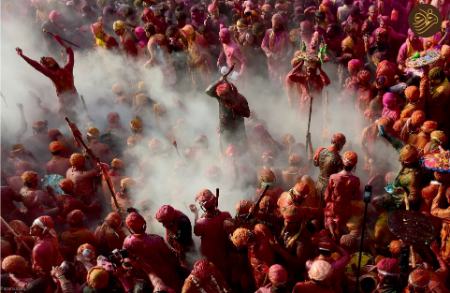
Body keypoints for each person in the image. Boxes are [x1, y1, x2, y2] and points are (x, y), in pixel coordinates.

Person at [16, 34, 80, 118]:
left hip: (75, 99)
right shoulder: (52, 75)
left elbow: (70, 51)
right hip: (65, 105)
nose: (47, 60)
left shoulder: (68, 68)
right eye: (45, 61)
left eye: (47, 58)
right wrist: (22, 55)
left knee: (82, 116)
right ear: (46, 67)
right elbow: (37, 66)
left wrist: (59, 40)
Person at [123, 210, 184, 292]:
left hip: (146, 279)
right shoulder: (156, 239)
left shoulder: (128, 242)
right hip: (166, 276)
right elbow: (170, 257)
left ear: (130, 228)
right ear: (144, 224)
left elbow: (127, 260)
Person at [192, 189, 232, 278]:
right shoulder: (226, 215)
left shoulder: (200, 223)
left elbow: (196, 232)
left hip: (210, 256)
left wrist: (196, 214)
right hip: (225, 252)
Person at [205, 75, 250, 152]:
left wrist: (236, 107)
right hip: (225, 130)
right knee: (226, 152)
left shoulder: (240, 99)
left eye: (225, 96)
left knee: (242, 152)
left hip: (238, 130)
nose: (223, 99)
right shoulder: (221, 96)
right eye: (221, 97)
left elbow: (247, 114)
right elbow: (208, 91)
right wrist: (220, 80)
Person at [324, 151, 361, 239]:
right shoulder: (355, 180)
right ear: (354, 165)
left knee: (330, 224)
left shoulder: (333, 177)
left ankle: (332, 233)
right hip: (346, 211)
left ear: (342, 162)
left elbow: (327, 196)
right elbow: (356, 197)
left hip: (333, 209)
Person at [313, 133, 346, 204]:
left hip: (318, 184)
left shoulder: (320, 151)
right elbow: (340, 175)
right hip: (328, 189)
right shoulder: (338, 159)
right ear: (340, 145)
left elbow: (315, 164)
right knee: (326, 210)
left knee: (317, 206)